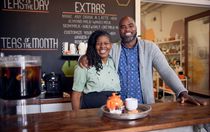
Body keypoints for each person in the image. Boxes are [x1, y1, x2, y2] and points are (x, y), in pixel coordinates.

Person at [79, 16, 207, 106]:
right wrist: (83, 58)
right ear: (119, 31)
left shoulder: (150, 47)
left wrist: (182, 92)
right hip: (116, 105)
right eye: (123, 27)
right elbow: (91, 53)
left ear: (135, 27)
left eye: (130, 25)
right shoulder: (112, 48)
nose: (127, 30)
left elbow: (166, 70)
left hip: (143, 105)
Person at [71, 30, 121, 111]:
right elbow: (76, 95)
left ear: (111, 45)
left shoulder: (113, 61)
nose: (102, 46)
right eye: (98, 44)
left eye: (106, 43)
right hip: (91, 113)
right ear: (93, 46)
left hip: (114, 111)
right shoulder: (84, 64)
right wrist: (77, 117)